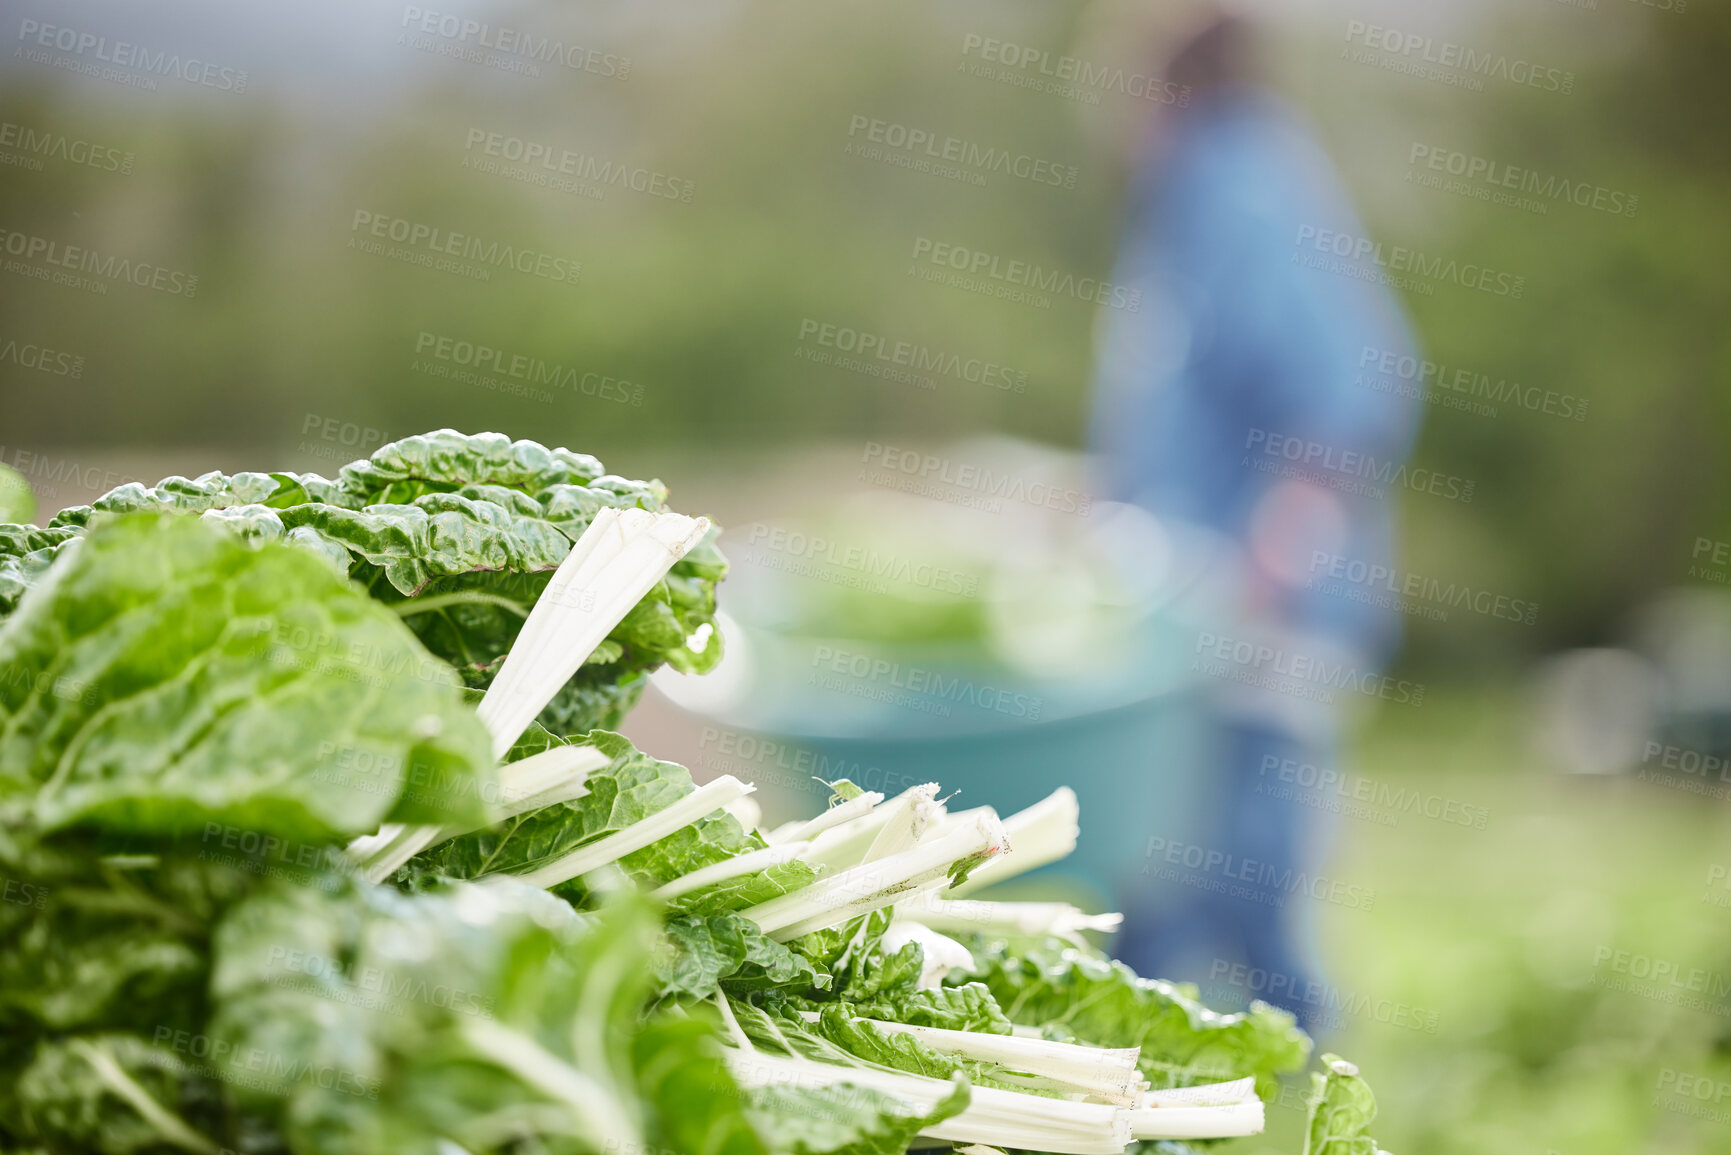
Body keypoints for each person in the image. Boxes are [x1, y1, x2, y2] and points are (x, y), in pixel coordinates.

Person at [1090, 11, 1423, 1032]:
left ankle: (1295, 1077)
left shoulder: (1242, 181)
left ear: (1162, 91)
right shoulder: (1200, 197)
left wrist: (1274, 556)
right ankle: (1194, 1083)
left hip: (1247, 605)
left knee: (1237, 872)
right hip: (1193, 604)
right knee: (1172, 871)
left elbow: (1345, 384)